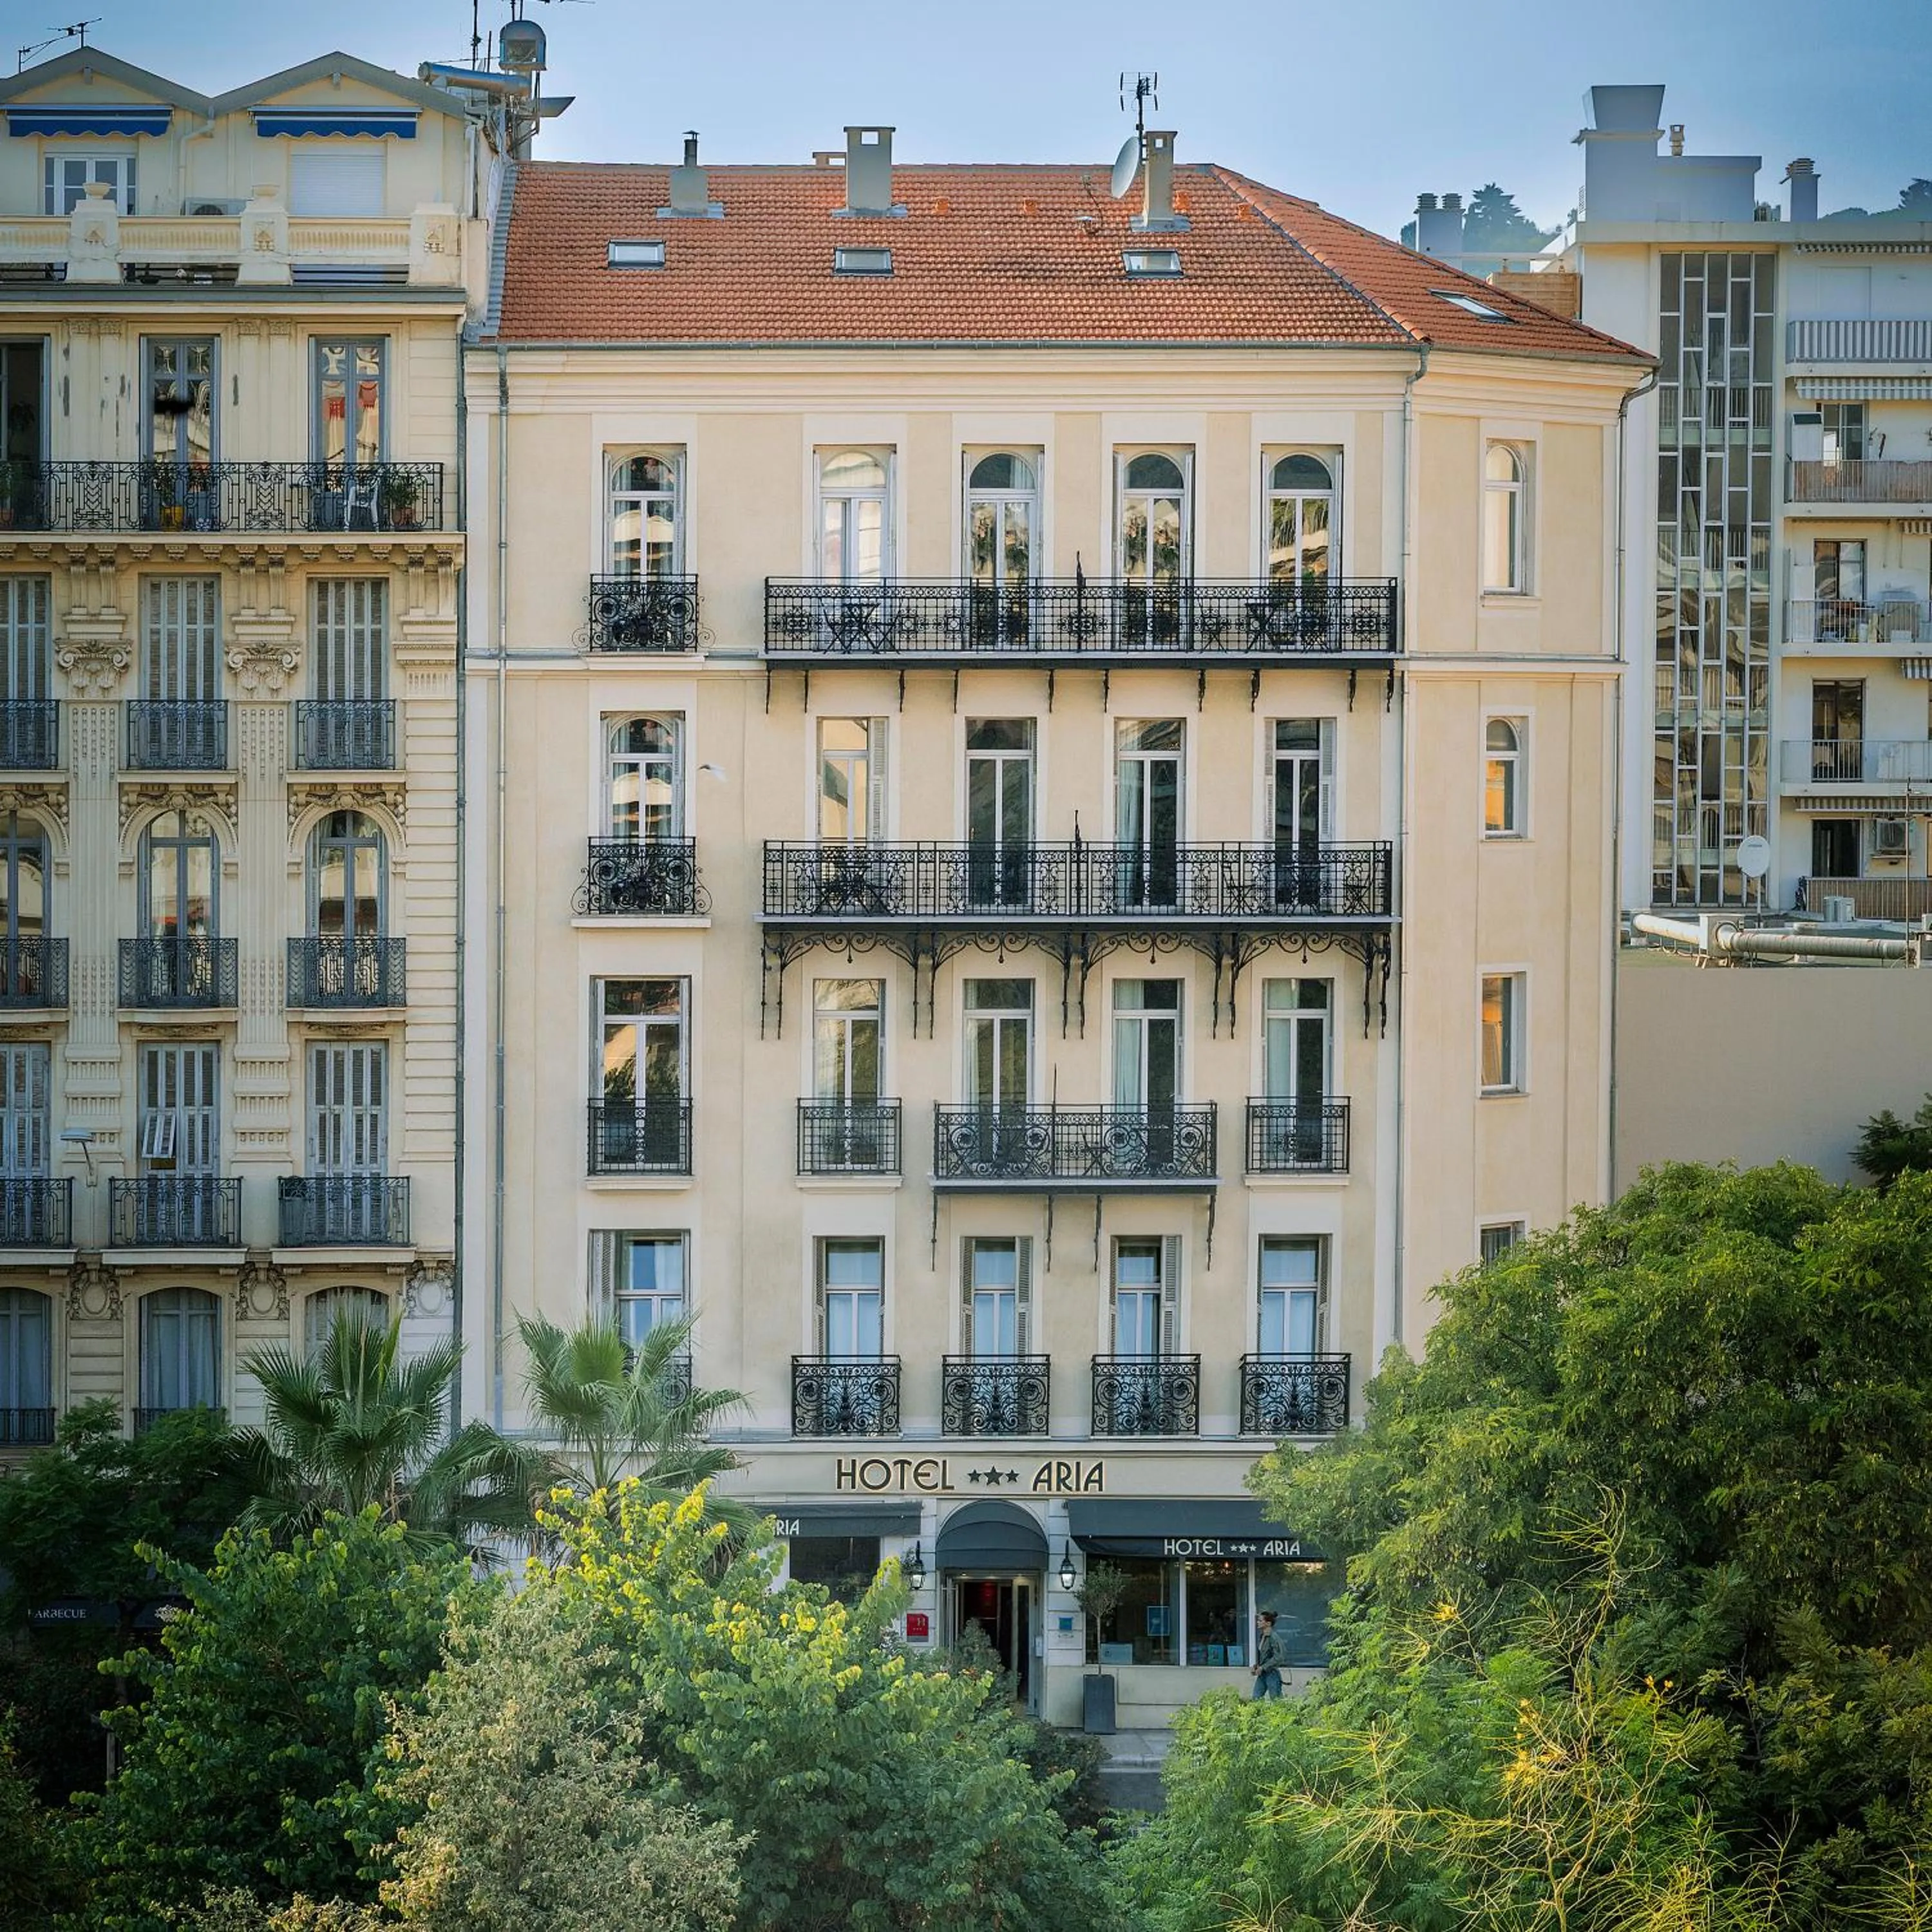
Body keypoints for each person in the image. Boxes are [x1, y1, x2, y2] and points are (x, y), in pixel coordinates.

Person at [1250, 1608, 1289, 1700]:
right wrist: (1256, 1667)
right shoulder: (1262, 1636)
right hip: (1263, 1674)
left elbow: (1279, 1656)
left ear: (1268, 1623)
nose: (1258, 1623)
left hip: (1272, 1673)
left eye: (1260, 1621)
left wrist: (1263, 1667)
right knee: (1256, 1698)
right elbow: (1263, 1655)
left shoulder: (1274, 1637)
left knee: (1276, 1701)